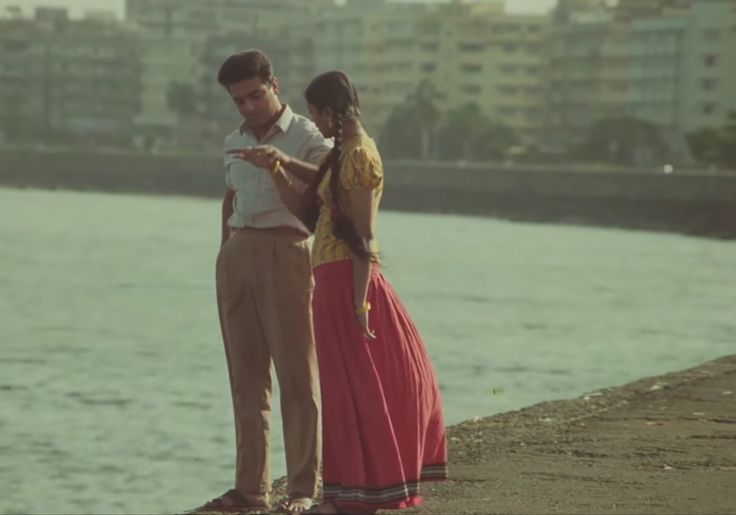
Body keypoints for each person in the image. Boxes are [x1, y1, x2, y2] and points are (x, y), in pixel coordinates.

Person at [230, 70, 448, 514]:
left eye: (315, 112)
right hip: (328, 278)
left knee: (356, 389)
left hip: (346, 279)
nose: (315, 121)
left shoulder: (362, 155)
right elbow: (309, 213)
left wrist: (361, 302)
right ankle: (347, 493)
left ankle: (351, 494)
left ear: (330, 111)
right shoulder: (343, 154)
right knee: (341, 390)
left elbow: (365, 236)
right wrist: (276, 165)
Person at [190, 50, 331, 515]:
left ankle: (302, 488)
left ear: (274, 83)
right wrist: (225, 247)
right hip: (238, 255)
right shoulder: (233, 139)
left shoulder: (306, 137)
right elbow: (230, 197)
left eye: (255, 95)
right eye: (239, 101)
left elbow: (328, 192)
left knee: (296, 376)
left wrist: (280, 163)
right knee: (245, 378)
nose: (249, 107)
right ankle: (250, 491)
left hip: (287, 251)